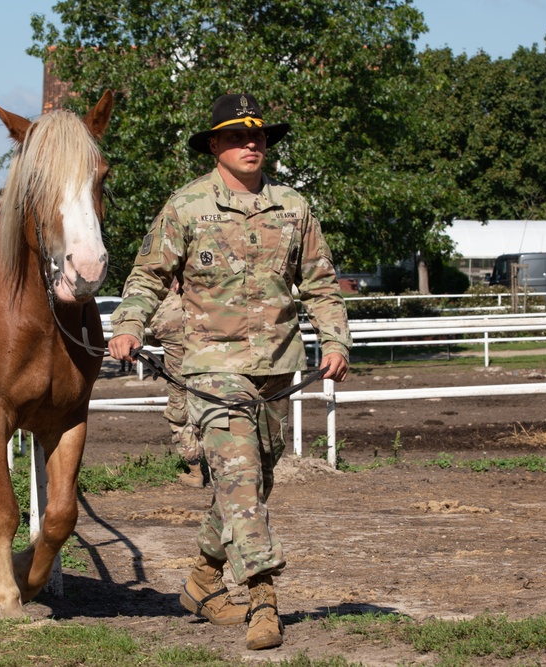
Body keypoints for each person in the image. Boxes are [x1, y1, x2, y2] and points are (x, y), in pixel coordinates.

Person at [109, 92, 351, 651]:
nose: (251, 143)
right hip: (210, 369)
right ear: (215, 145)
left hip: (276, 370)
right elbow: (146, 277)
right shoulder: (187, 206)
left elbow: (319, 283)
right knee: (242, 483)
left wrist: (335, 338)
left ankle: (199, 581)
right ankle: (263, 601)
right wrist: (128, 325)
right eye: (237, 136)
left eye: (259, 136)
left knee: (249, 483)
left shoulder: (294, 207)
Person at [148, 281, 205, 488]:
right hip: (211, 368)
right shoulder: (200, 300)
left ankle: (195, 472)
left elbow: (153, 335)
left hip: (179, 375)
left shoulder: (159, 305)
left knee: (179, 414)